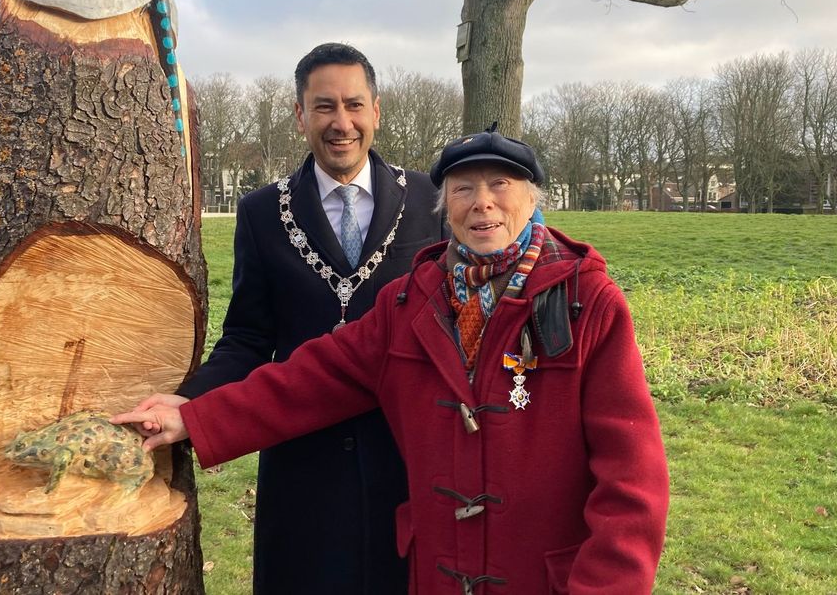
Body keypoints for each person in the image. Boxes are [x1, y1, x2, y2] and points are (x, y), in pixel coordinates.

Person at [118, 128, 669, 594]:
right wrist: (194, 416)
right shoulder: (411, 301)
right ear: (444, 206)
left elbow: (632, 479)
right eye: (463, 188)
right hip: (438, 575)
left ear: (531, 198)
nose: (483, 202)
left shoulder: (584, 302)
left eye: (501, 184)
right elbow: (312, 379)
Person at [177, 43, 445, 594]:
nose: (340, 123)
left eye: (353, 105)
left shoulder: (430, 200)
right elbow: (248, 338)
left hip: (408, 456)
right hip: (303, 460)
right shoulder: (260, 213)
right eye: (324, 107)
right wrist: (191, 402)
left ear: (377, 110)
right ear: (300, 115)